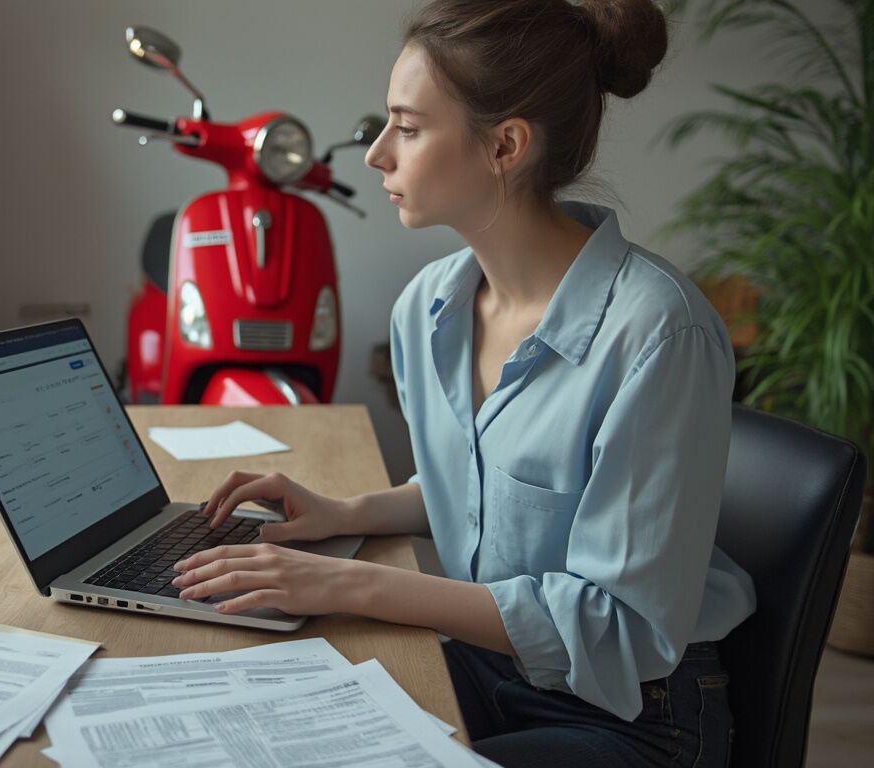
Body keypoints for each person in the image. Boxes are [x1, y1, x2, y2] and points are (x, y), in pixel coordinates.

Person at [169, 1, 758, 766]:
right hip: (488, 665)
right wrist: (346, 513)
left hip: (631, 717)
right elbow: (492, 491)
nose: (378, 154)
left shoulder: (658, 335)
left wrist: (346, 584)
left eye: (408, 129)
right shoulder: (430, 306)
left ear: (505, 145)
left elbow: (621, 627)